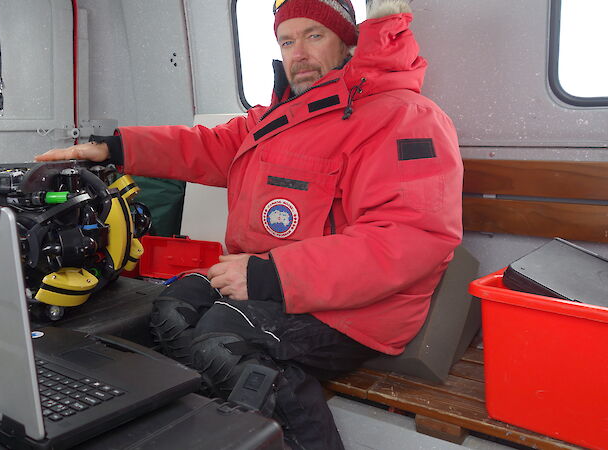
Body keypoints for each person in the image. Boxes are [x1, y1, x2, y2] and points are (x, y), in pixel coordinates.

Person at [36, 0, 463, 448]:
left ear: (348, 42)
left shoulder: (404, 116)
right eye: (287, 40)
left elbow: (412, 239)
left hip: (361, 308)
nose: (298, 52)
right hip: (268, 279)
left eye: (314, 36)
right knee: (171, 309)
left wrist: (270, 275)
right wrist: (115, 149)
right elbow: (208, 148)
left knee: (224, 338)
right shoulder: (283, 116)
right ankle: (224, 429)